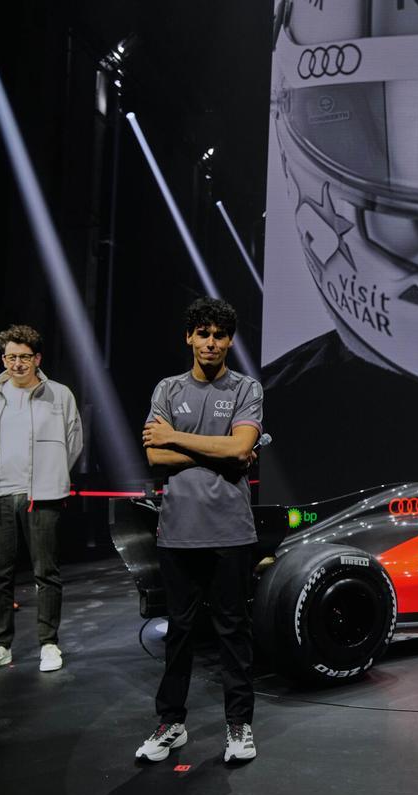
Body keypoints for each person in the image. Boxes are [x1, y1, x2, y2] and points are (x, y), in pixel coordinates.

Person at [135, 297, 263, 764]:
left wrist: (177, 437)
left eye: (220, 335)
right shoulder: (167, 389)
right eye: (203, 333)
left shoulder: (247, 388)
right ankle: (172, 724)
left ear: (229, 340)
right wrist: (222, 449)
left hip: (231, 530)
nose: (211, 342)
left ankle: (239, 726)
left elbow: (242, 447)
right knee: (181, 633)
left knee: (233, 632)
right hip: (178, 532)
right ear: (189, 337)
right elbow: (155, 457)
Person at [0, 324, 82, 674]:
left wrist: (53, 475)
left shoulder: (58, 394)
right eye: (11, 357)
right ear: (4, 359)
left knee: (45, 571)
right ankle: (0, 645)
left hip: (41, 495)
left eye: (24, 357)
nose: (17, 364)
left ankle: (49, 643)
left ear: (37, 359)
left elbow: (73, 440)